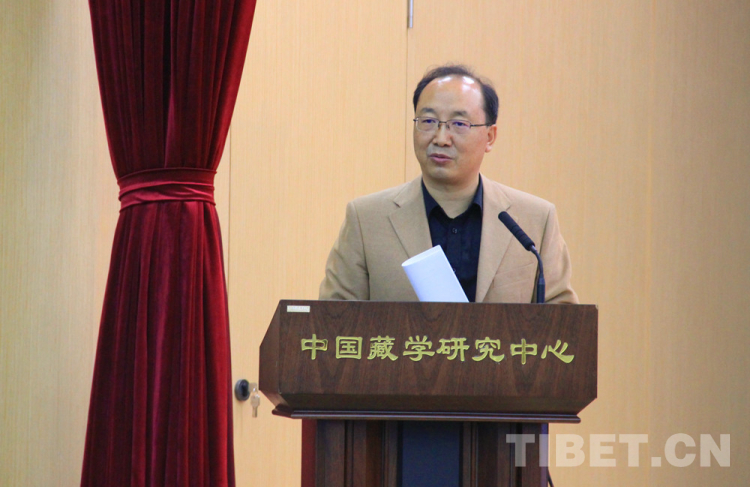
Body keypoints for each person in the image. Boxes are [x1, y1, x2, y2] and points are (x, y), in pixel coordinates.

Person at [319, 64, 578, 304]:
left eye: (459, 124)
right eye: (428, 121)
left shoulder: (534, 220)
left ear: (490, 137)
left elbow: (564, 322)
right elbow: (333, 320)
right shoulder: (367, 219)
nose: (441, 138)